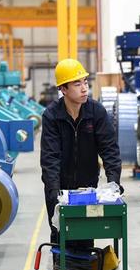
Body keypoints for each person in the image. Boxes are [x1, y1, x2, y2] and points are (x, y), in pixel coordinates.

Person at [40, 58, 122, 243]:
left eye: (85, 82)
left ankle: (84, 261)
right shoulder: (52, 116)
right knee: (60, 236)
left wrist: (114, 183)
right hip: (60, 187)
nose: (85, 88)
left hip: (88, 187)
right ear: (63, 89)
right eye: (77, 84)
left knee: (86, 234)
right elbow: (50, 158)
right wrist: (54, 194)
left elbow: (109, 150)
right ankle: (60, 259)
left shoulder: (96, 112)